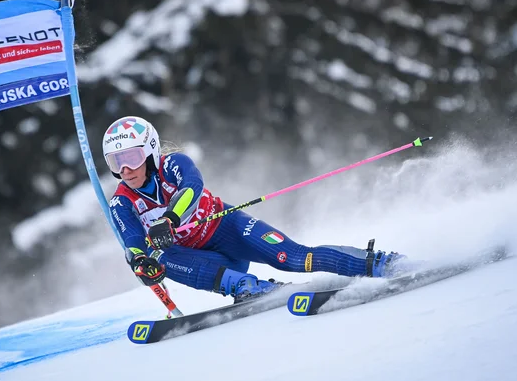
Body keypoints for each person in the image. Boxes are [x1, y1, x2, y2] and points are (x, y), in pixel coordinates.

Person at [103, 116, 405, 303]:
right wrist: (142, 264)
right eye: (117, 162)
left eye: (132, 157)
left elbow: (192, 187)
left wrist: (169, 219)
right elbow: (132, 241)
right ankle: (249, 288)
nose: (126, 169)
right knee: (161, 256)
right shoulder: (121, 201)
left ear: (151, 151)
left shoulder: (173, 165)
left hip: (227, 228)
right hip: (211, 264)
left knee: (294, 258)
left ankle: (377, 263)